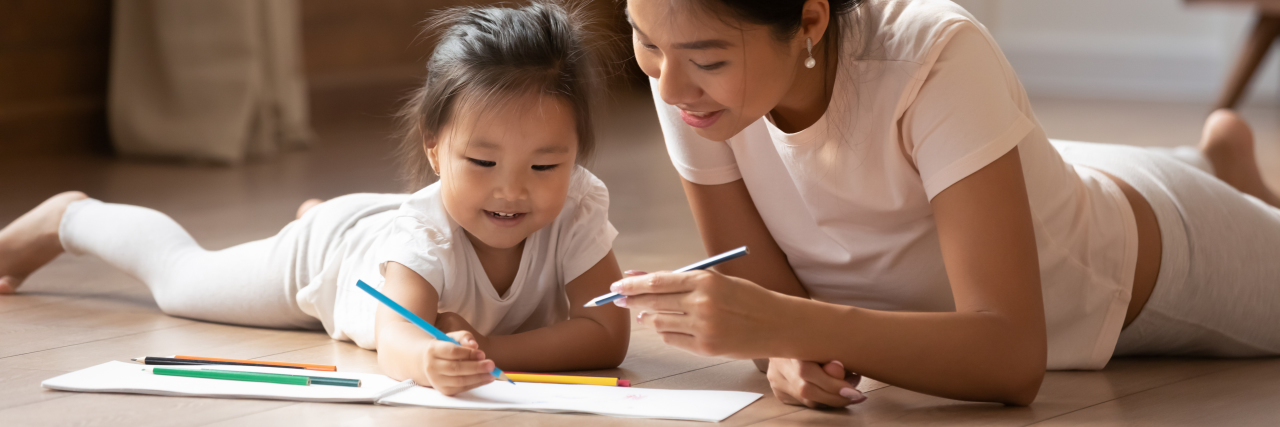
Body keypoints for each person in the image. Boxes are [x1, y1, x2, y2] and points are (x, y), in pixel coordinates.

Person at [608, 0, 1280, 408]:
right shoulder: (695, 82)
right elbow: (777, 311)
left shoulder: (931, 58)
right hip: (1030, 179)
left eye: (704, 59)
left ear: (809, 21)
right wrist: (784, 343)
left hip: (1130, 257)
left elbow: (1011, 357)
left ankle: (1225, 178)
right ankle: (1222, 163)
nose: (668, 85)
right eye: (647, 42)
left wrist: (789, 325)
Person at [0, 1, 629, 396]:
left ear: (576, 156)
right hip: (325, 260)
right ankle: (70, 218)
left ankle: (327, 211)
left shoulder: (575, 204)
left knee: (389, 228)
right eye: (483, 161)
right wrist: (430, 353)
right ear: (434, 149)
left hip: (376, 229)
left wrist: (490, 351)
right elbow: (399, 337)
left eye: (546, 163)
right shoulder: (423, 235)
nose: (513, 189)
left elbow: (607, 332)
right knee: (181, 282)